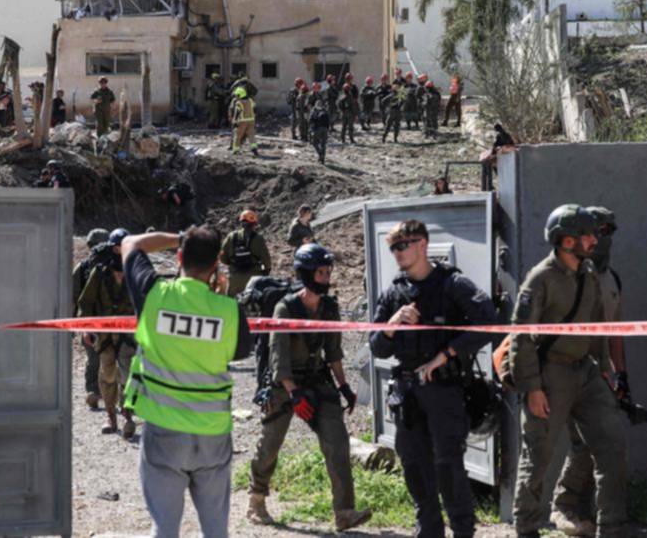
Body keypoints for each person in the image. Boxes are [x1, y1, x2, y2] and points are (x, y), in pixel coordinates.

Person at [120, 226, 252, 538]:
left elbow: (130, 243)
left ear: (179, 257)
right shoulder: (230, 311)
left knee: (164, 528)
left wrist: (179, 238)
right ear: (216, 265)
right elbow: (239, 350)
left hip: (164, 433)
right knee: (216, 530)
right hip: (212, 435)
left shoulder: (154, 294)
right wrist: (218, 294)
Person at [369, 219, 498, 538]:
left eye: (403, 245)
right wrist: (392, 325)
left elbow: (489, 322)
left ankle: (463, 531)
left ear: (423, 244)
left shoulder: (452, 284)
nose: (397, 252)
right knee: (414, 466)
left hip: (444, 389)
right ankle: (428, 531)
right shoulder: (394, 293)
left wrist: (447, 354)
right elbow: (377, 347)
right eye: (393, 248)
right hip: (408, 391)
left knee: (448, 466)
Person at [509, 204, 628, 538]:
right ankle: (526, 528)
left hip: (586, 373)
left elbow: (596, 327)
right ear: (566, 240)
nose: (594, 240)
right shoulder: (540, 278)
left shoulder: (588, 274)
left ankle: (613, 526)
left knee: (611, 443)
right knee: (538, 455)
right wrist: (533, 388)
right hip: (550, 375)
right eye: (587, 235)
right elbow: (521, 337)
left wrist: (604, 370)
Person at [248, 244, 373, 532]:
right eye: (321, 272)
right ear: (306, 274)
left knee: (337, 442)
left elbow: (334, 351)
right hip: (285, 384)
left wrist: (344, 386)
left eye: (328, 272)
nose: (326, 278)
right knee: (270, 444)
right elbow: (278, 358)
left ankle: (344, 512)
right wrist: (294, 394)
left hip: (317, 381)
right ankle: (256, 500)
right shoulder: (285, 308)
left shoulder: (329, 308)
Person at [549, 207, 634, 536]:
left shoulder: (612, 279)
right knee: (586, 443)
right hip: (565, 369)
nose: (602, 239)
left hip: (599, 375)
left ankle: (602, 519)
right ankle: (566, 506)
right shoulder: (566, 274)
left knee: (601, 444)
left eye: (608, 231)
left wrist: (621, 376)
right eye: (597, 231)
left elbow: (616, 333)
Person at [77, 228, 137, 439]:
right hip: (104, 335)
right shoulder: (100, 272)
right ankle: (111, 417)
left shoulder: (136, 273)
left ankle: (127, 415)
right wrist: (86, 328)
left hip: (128, 336)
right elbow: (86, 302)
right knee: (107, 374)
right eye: (118, 247)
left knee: (127, 375)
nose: (121, 251)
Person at [73, 227, 113, 410]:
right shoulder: (113, 266)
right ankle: (105, 394)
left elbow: (73, 298)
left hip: (91, 321)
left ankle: (94, 392)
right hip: (109, 321)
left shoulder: (82, 268)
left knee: (95, 359)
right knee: (110, 358)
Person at [220, 210, 271, 297]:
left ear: (241, 223)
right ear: (254, 224)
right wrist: (266, 271)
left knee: (232, 303)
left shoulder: (231, 236)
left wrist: (232, 264)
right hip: (253, 280)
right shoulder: (258, 239)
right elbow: (266, 260)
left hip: (234, 278)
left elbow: (222, 257)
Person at [231, 86, 258, 156]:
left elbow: (237, 112)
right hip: (251, 120)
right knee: (251, 134)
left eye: (236, 95)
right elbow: (255, 109)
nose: (236, 97)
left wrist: (235, 121)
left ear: (239, 95)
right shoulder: (250, 100)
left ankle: (235, 150)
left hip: (242, 121)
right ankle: (254, 147)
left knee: (238, 135)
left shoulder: (239, 102)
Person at [309, 98, 330, 165]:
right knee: (323, 144)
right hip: (325, 129)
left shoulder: (314, 110)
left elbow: (311, 120)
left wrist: (311, 130)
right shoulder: (325, 110)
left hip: (317, 129)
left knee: (314, 143)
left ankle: (320, 154)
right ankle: (322, 159)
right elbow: (328, 120)